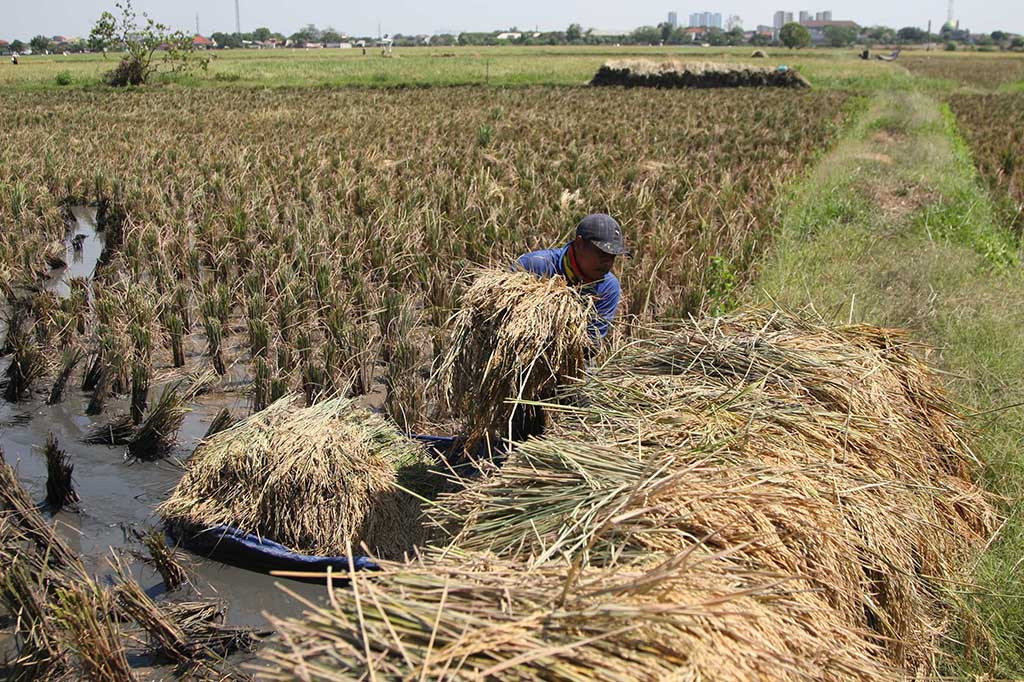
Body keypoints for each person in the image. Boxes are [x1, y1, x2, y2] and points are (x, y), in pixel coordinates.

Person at [516, 213, 630, 342]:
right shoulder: (534, 266)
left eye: (612, 256)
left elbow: (592, 344)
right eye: (602, 254)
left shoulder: (608, 288)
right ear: (579, 243)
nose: (607, 263)